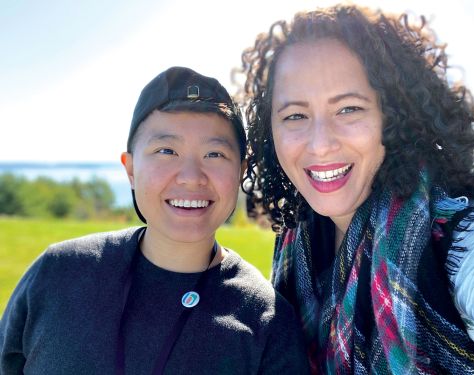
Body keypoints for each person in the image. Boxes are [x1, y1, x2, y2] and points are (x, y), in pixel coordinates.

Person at [239, 4, 474, 374]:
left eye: (348, 109)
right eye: (295, 115)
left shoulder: (472, 237)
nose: (320, 144)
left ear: (392, 116)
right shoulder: (297, 248)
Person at [0, 66, 310, 374]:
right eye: (166, 150)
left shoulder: (265, 319)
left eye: (214, 154)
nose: (191, 178)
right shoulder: (58, 273)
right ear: (130, 168)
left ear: (241, 170)